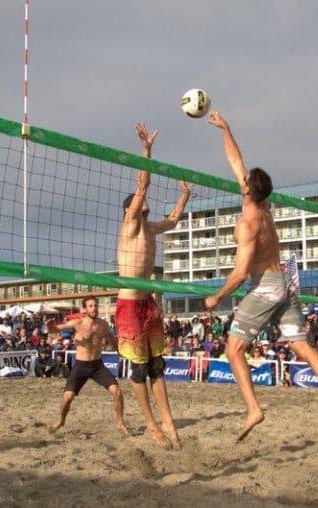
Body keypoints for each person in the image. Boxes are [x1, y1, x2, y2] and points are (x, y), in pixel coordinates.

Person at [204, 111, 318, 441]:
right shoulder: (265, 208)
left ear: (246, 190)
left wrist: (217, 296)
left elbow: (240, 273)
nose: (240, 179)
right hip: (284, 282)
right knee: (301, 345)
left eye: (243, 181)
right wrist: (226, 129)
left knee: (233, 350)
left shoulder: (247, 224)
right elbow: (237, 161)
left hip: (265, 287)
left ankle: (254, 409)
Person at [115, 122, 192, 449]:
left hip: (148, 302)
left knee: (158, 366)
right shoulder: (130, 224)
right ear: (129, 209)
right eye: (136, 201)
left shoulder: (148, 227)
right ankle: (150, 423)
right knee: (140, 369)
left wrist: (185, 194)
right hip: (130, 303)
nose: (142, 201)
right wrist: (147, 150)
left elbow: (173, 220)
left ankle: (169, 422)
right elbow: (142, 186)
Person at [46, 296, 130, 437]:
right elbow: (55, 330)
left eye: (95, 305)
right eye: (90, 306)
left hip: (97, 366)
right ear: (85, 309)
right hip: (81, 366)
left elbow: (111, 338)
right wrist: (50, 326)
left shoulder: (103, 324)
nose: (94, 308)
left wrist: (120, 352)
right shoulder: (78, 322)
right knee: (67, 397)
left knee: (117, 391)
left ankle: (120, 422)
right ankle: (61, 421)